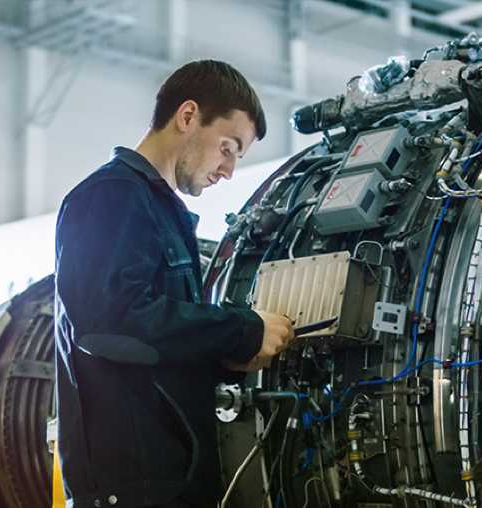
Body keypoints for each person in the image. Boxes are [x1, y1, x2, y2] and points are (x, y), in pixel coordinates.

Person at [54, 60, 295, 508]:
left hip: (174, 482)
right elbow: (109, 323)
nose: (227, 170)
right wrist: (239, 330)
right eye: (228, 147)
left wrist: (229, 359)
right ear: (187, 116)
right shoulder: (109, 195)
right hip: (133, 488)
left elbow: (159, 341)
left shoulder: (161, 211)